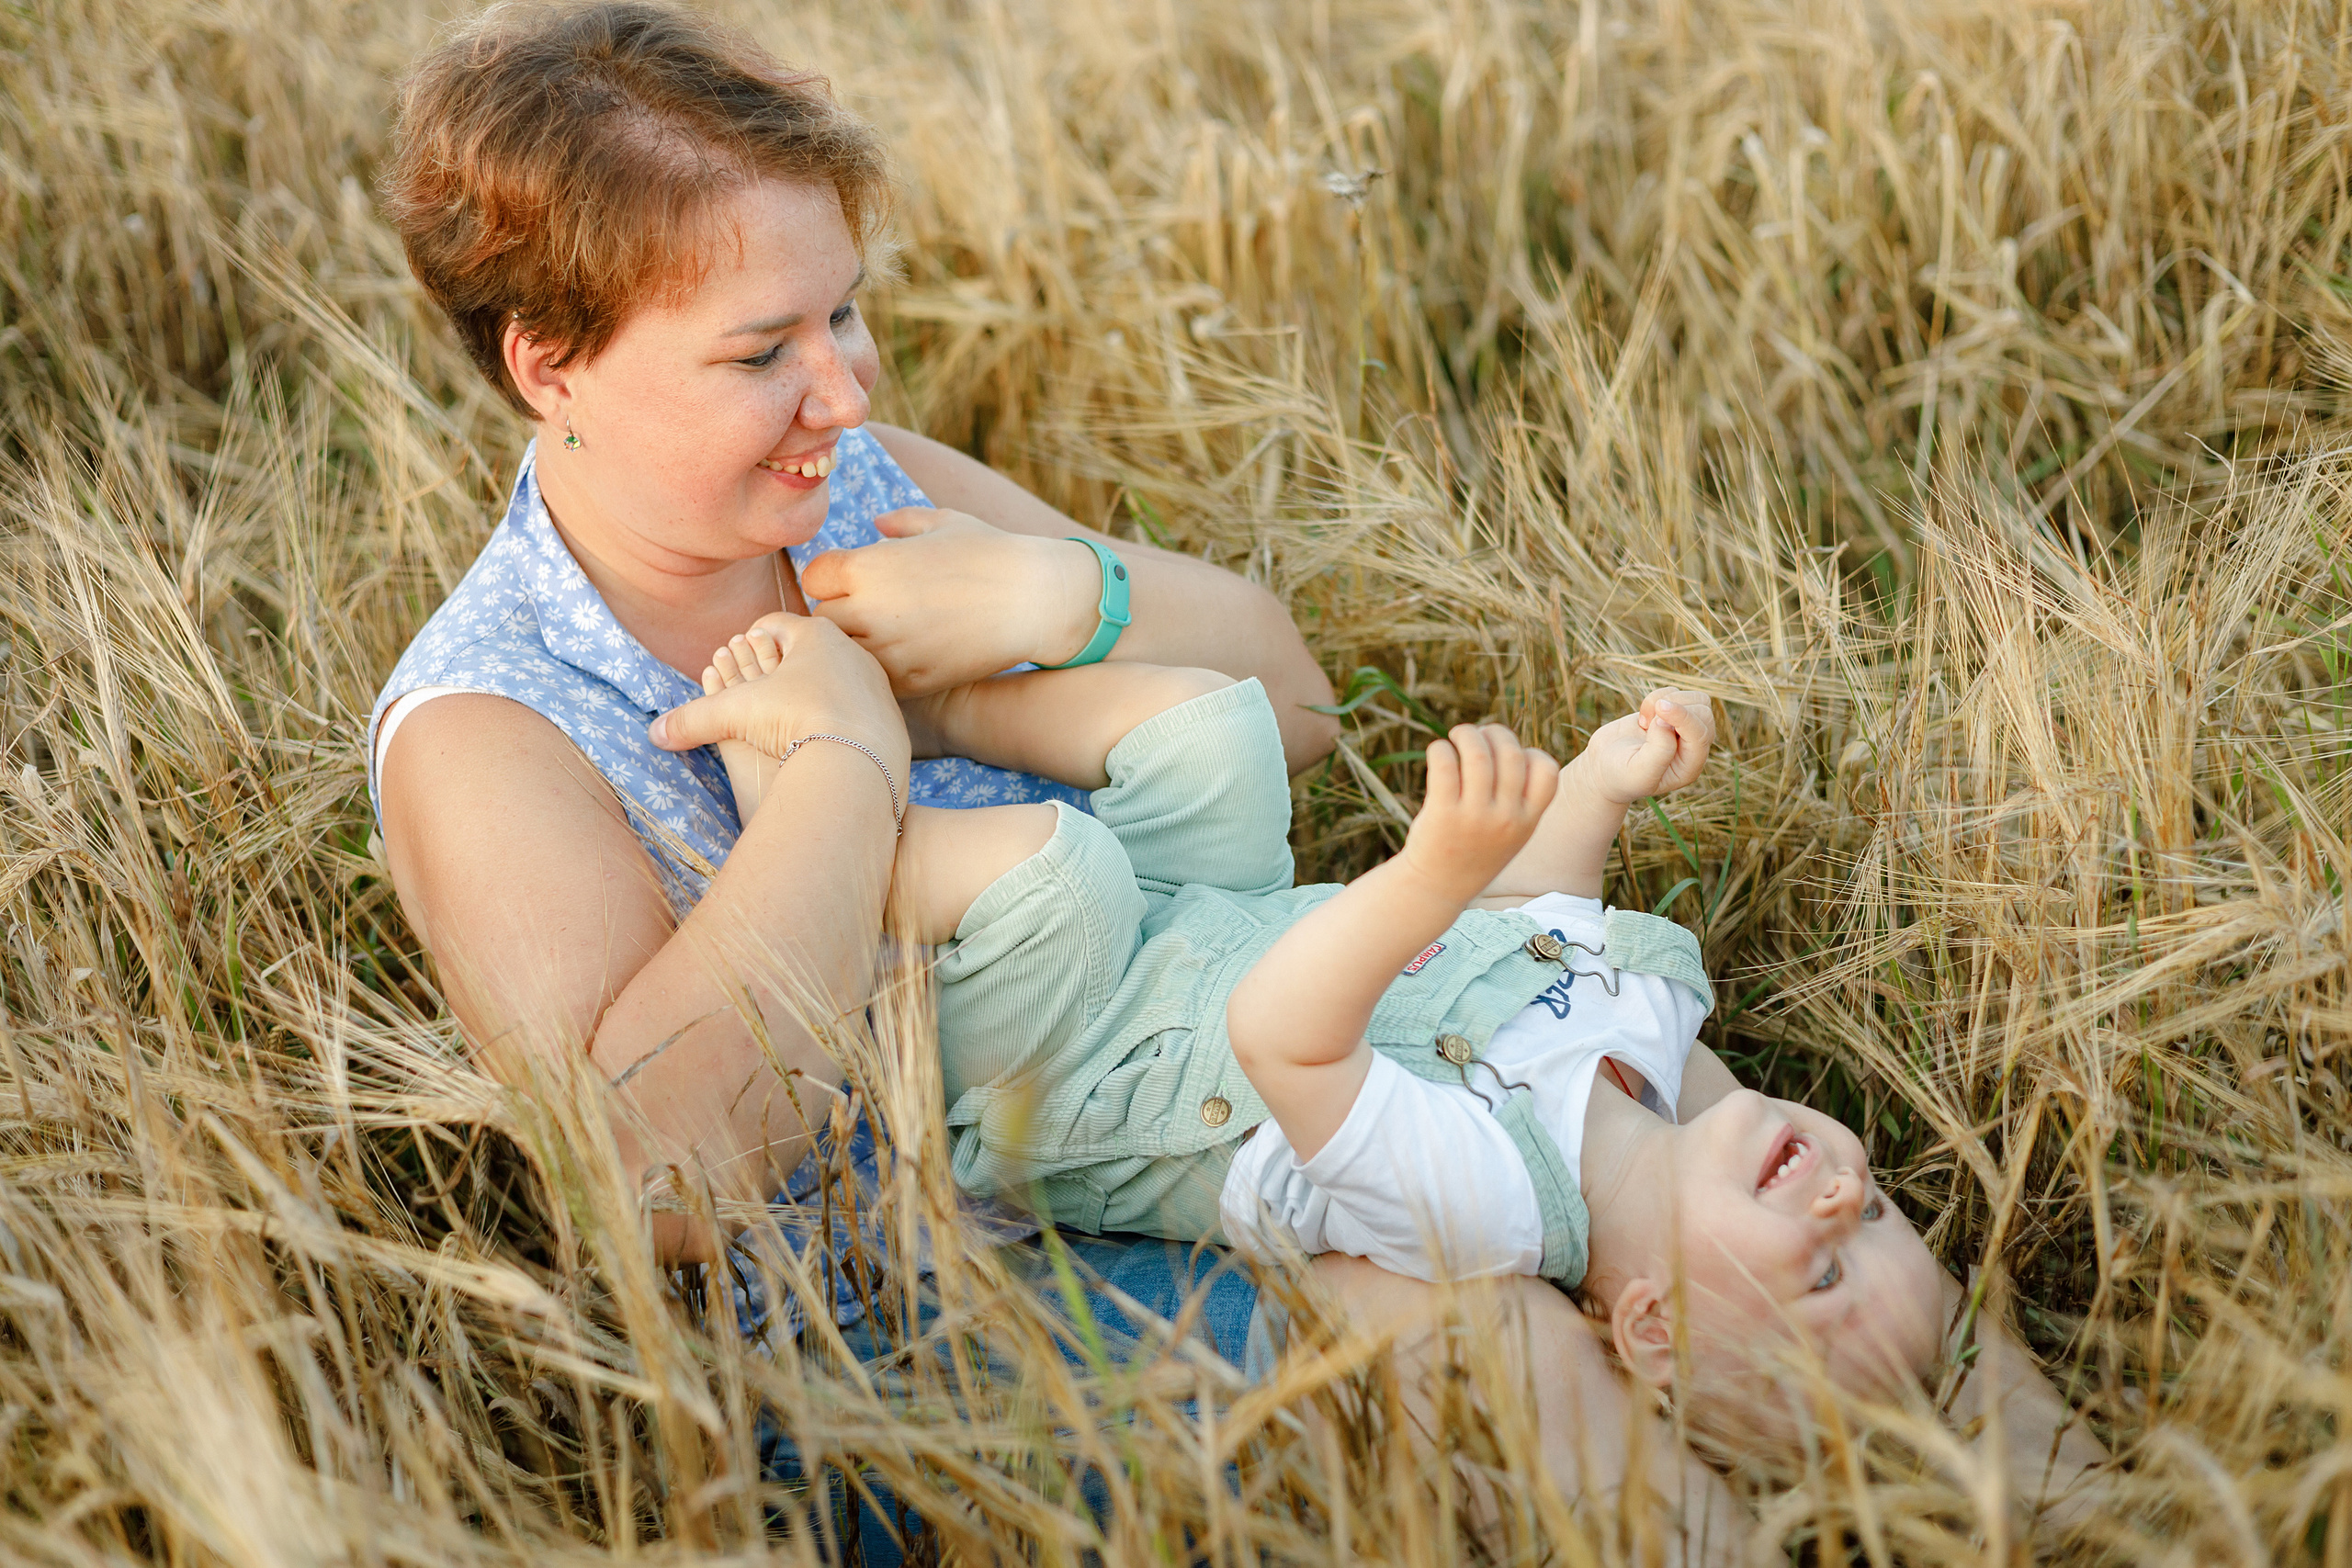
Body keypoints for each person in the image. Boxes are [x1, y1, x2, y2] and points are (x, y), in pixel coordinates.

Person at [368, 4, 1764, 1562]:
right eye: (765, 352)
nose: (842, 387)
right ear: (548, 363)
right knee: (1480, 1334)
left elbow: (1293, 702)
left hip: (1201, 1065)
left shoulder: (863, 493)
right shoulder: (491, 725)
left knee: (1703, 1124)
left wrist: (1061, 600)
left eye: (843, 314)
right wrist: (840, 772)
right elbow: (660, 1187)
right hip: (931, 1305)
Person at [684, 641, 1971, 1446]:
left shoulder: (1489, 1208)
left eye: (1819, 1278)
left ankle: (809, 805)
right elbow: (1543, 922)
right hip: (1208, 925)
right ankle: (933, 706)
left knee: (1054, 867)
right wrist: (1599, 784)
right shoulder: (1654, 1029)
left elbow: (1286, 1038)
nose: (1846, 1201)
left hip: (1079, 1058)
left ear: (1649, 1333)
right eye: (1880, 1223)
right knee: (1218, 731)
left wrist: (1429, 874)